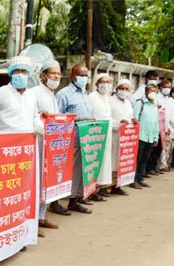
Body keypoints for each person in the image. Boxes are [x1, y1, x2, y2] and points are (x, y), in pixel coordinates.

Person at [56, 64, 93, 214]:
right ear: (73, 76)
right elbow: (57, 118)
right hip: (69, 141)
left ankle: (74, 201)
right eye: (80, 75)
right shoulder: (63, 94)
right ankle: (56, 203)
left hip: (85, 139)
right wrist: (77, 120)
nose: (83, 78)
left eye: (86, 76)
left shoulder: (85, 94)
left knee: (80, 173)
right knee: (64, 172)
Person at [31, 59, 61, 230]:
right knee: (37, 182)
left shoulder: (52, 94)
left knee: (47, 181)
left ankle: (42, 217)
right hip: (39, 145)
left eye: (58, 74)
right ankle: (34, 221)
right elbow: (31, 113)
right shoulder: (35, 92)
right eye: (53, 74)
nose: (56, 77)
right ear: (43, 76)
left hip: (52, 147)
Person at [0, 55, 38, 132]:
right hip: (4, 142)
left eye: (24, 71)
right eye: (17, 71)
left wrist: (38, 125)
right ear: (11, 73)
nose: (20, 74)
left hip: (27, 142)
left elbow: (35, 116)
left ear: (28, 74)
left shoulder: (31, 95)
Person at [87, 73, 114, 200]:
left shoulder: (107, 98)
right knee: (93, 162)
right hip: (94, 134)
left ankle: (98, 189)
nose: (105, 85)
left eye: (108, 82)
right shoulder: (92, 97)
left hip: (106, 134)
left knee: (103, 162)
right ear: (97, 84)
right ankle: (90, 191)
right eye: (103, 82)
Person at [108, 78, 136, 192]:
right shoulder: (110, 101)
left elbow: (129, 116)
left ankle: (116, 186)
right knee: (110, 163)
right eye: (122, 88)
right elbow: (108, 119)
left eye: (126, 89)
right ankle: (105, 187)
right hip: (112, 135)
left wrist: (132, 120)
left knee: (120, 162)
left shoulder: (128, 103)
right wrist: (119, 124)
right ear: (116, 89)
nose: (124, 91)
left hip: (125, 138)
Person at [132, 84, 160, 188]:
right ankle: (133, 180)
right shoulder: (140, 103)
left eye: (154, 91)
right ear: (146, 92)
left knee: (145, 159)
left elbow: (156, 122)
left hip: (150, 136)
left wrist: (156, 137)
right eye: (150, 91)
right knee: (138, 158)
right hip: (140, 136)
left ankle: (140, 178)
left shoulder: (155, 104)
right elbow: (135, 119)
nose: (152, 93)